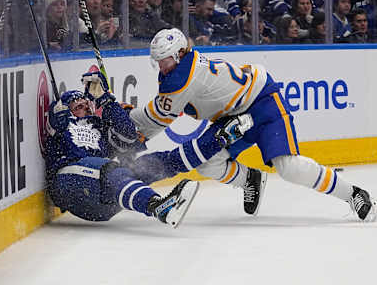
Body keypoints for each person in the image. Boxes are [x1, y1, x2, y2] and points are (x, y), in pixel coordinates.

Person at [130, 28, 377, 221]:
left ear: (180, 54)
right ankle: (249, 179)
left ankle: (354, 193)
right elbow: (159, 113)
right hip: (231, 117)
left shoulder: (181, 78)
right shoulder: (179, 70)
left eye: (164, 59)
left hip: (261, 102)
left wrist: (127, 127)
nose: (160, 66)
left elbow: (156, 118)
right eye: (158, 60)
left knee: (288, 167)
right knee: (207, 164)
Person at [45, 65, 249, 228]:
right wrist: (64, 104)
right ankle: (158, 206)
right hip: (68, 183)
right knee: (110, 170)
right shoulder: (63, 123)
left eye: (85, 105)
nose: (84, 109)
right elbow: (56, 118)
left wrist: (106, 101)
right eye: (77, 107)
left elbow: (128, 138)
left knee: (158, 162)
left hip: (102, 200)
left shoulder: (100, 129)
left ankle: (220, 139)